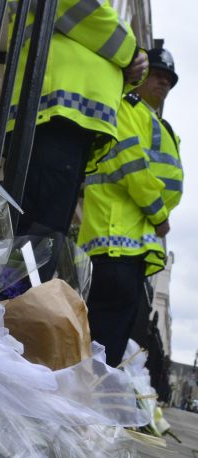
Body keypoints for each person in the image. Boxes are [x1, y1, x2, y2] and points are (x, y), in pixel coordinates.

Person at [7, 1, 148, 281]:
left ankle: (17, 312)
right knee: (35, 235)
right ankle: (12, 313)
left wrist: (132, 63)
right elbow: (80, 9)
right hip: (54, 110)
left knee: (43, 236)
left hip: (70, 116)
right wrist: (130, 51)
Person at [78, 48, 183, 367]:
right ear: (139, 76)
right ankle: (83, 401)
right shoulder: (126, 108)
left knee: (111, 337)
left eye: (169, 79)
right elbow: (131, 166)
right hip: (113, 240)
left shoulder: (156, 123)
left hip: (133, 246)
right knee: (102, 337)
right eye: (157, 75)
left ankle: (91, 403)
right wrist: (159, 214)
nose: (163, 83)